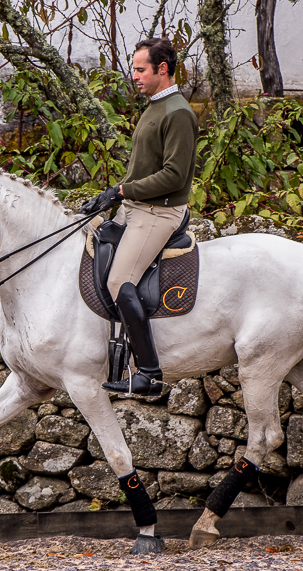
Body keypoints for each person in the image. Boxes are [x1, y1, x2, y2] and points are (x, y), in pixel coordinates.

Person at [82, 37, 198, 397]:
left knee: (119, 280)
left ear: (162, 70)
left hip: (159, 213)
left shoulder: (177, 112)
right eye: (134, 68)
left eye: (140, 69)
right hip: (136, 207)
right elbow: (143, 170)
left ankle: (149, 373)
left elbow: (174, 176)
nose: (134, 75)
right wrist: (116, 195)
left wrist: (119, 191)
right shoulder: (155, 106)